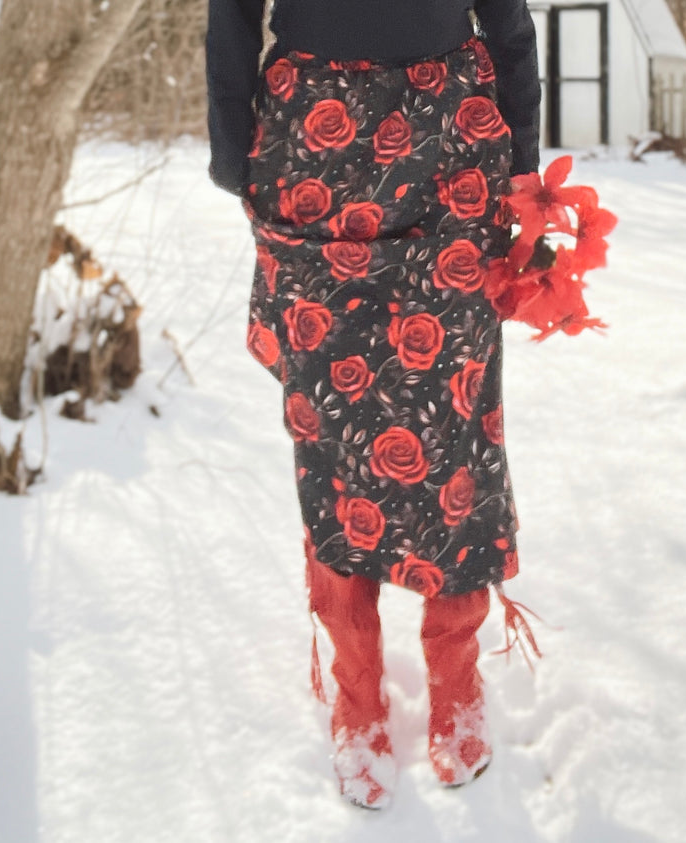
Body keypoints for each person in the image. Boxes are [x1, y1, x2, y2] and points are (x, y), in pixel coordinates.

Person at [206, 0, 542, 810]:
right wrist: (232, 147)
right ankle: (358, 692)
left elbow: (507, 16)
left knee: (453, 419)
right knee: (332, 429)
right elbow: (232, 12)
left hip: (450, 146)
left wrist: (523, 161)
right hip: (311, 144)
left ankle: (454, 675)